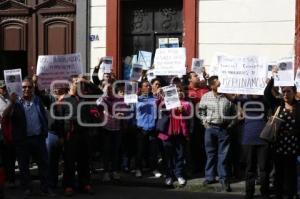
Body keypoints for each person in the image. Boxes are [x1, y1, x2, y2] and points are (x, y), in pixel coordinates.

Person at [5, 77, 54, 197]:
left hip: (38, 138)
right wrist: (11, 103)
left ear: (33, 88)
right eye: (24, 87)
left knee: (43, 164)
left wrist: (44, 131)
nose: (27, 89)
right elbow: (6, 115)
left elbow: (43, 115)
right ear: (20, 88)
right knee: (24, 165)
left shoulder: (37, 100)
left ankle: (45, 188)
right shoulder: (15, 102)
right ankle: (27, 188)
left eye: (29, 87)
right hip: (23, 140)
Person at [226, 94, 271, 199]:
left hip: (264, 139)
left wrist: (270, 82)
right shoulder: (244, 100)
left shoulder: (266, 99)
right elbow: (231, 98)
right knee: (250, 168)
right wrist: (221, 86)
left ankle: (265, 192)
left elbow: (272, 94)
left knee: (264, 168)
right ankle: (249, 192)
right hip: (248, 139)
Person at [199, 76, 236, 192]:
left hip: (224, 129)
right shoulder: (206, 96)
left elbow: (235, 112)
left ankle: (224, 178)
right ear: (212, 85)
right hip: (210, 128)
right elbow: (201, 111)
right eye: (218, 83)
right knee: (210, 153)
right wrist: (205, 123)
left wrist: (230, 124)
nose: (220, 84)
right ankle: (209, 177)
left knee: (223, 155)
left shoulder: (228, 97)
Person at [264, 77, 300, 199]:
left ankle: (291, 194)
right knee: (278, 173)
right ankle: (278, 194)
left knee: (291, 173)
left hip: (293, 146)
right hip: (278, 145)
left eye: (288, 91)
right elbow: (267, 93)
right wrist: (274, 77)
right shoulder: (277, 105)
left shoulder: (298, 107)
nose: (285, 94)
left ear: (294, 93)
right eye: (283, 91)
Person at [59, 77, 93, 196]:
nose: (77, 86)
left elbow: (99, 93)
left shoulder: (85, 97)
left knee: (84, 160)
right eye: (75, 83)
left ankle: (85, 184)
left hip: (84, 134)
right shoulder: (64, 99)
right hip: (70, 135)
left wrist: (85, 81)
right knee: (69, 161)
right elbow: (59, 120)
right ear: (70, 85)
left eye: (79, 84)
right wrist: (61, 136)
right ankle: (68, 185)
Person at [158, 85, 191, 186]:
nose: (178, 92)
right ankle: (169, 175)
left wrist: (183, 111)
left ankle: (179, 175)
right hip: (167, 133)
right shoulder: (165, 103)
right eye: (176, 91)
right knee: (168, 156)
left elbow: (189, 116)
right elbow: (159, 106)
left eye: (180, 90)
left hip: (180, 133)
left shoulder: (186, 104)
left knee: (180, 155)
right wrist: (161, 96)